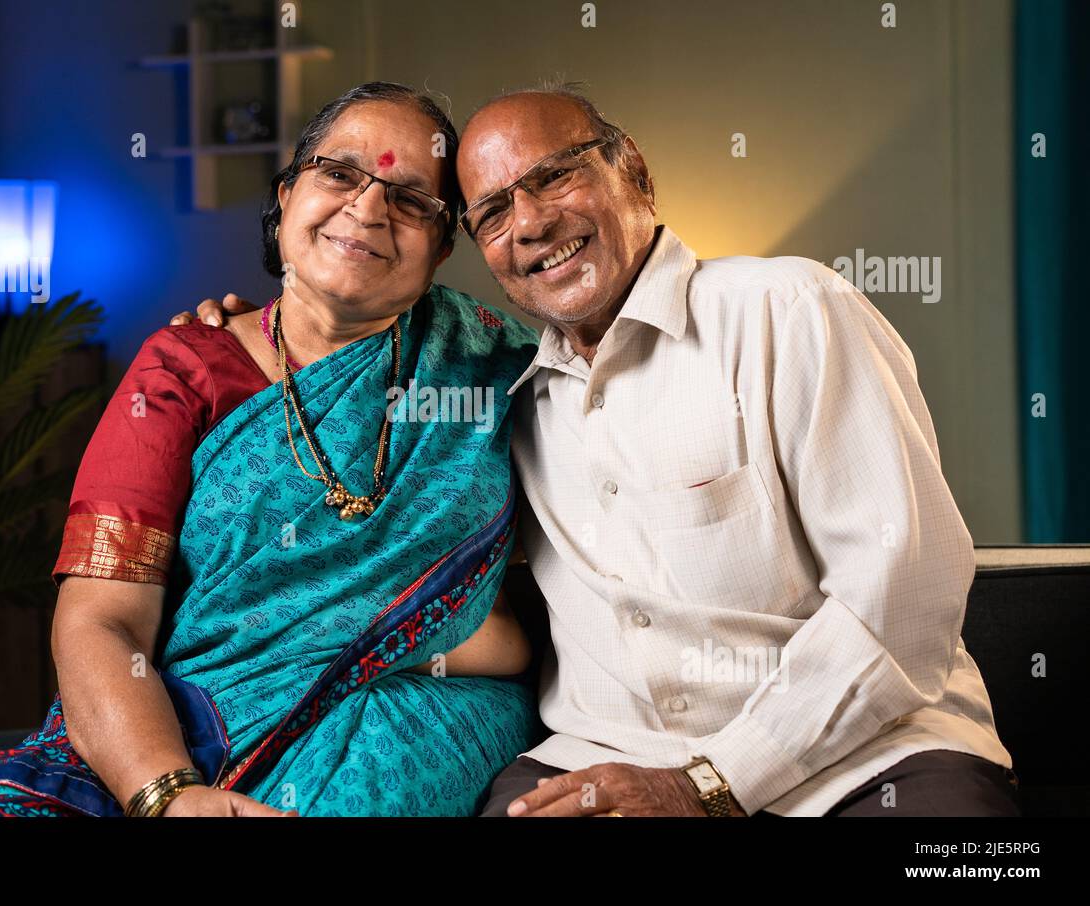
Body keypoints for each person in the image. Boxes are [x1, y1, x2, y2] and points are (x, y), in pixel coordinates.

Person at [185, 84, 1020, 817]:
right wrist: (244, 340)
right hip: (604, 756)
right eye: (493, 213)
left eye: (554, 175)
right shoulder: (501, 393)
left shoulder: (787, 311)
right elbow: (346, 461)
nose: (532, 222)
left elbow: (903, 595)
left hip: (866, 760)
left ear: (637, 175)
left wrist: (712, 784)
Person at [0, 82, 542, 818]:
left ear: (443, 246)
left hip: (410, 718)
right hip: (179, 733)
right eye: (340, 173)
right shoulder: (182, 372)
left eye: (412, 199)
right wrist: (168, 792)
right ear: (287, 198)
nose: (369, 208)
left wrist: (469, 637)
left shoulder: (499, 370)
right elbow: (103, 620)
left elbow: (579, 579)